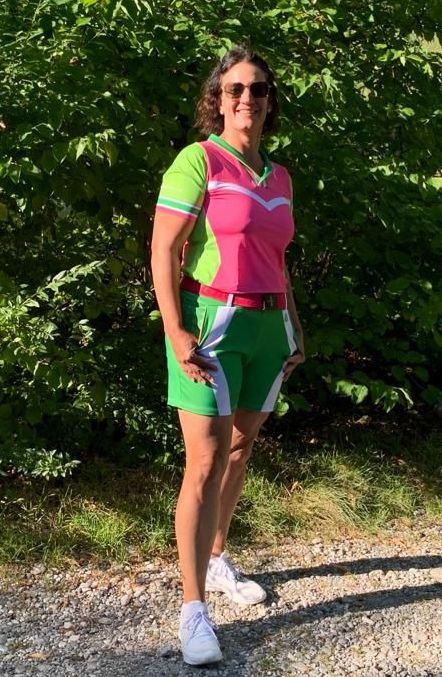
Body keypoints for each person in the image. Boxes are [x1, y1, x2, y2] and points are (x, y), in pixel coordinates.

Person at [151, 45, 305, 666]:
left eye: (258, 89)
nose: (247, 98)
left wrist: (294, 326)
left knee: (241, 448)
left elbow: (279, 260)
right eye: (235, 88)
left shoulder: (280, 176)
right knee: (206, 461)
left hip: (269, 328)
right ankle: (193, 610)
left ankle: (217, 560)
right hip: (210, 323)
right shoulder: (199, 161)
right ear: (217, 99)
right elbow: (164, 251)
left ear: (270, 101)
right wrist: (174, 331)